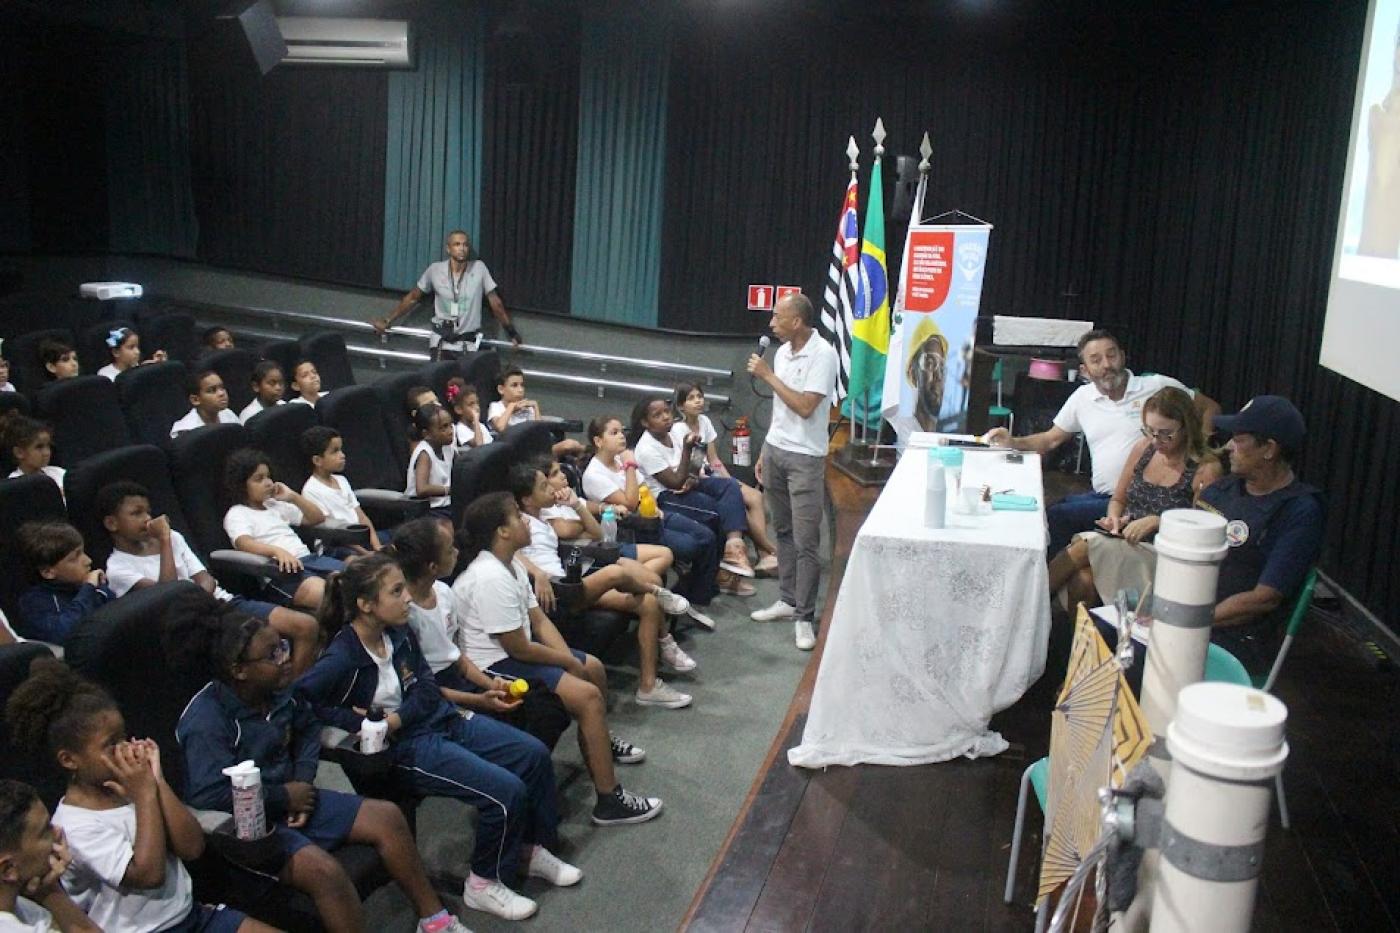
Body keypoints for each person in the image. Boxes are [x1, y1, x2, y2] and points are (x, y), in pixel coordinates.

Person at [295, 554, 580, 921]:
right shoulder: (341, 657)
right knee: (505, 791)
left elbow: (427, 688)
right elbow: (300, 699)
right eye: (396, 592)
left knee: (533, 754)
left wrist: (395, 718)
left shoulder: (399, 631)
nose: (407, 599)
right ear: (365, 605)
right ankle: (483, 882)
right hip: (409, 746)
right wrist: (352, 720)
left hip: (437, 718)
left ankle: (528, 847)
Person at [166, 597, 472, 933]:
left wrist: (303, 783)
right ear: (239, 671)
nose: (286, 660)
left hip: (293, 795)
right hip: (247, 831)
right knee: (327, 874)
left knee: (387, 817)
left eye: (282, 646)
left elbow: (308, 727)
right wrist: (284, 796)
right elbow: (209, 795)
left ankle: (435, 921)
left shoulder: (277, 689)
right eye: (272, 655)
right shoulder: (205, 720)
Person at [3, 659, 273, 933]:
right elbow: (148, 874)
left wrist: (156, 781)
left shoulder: (134, 786)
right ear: (70, 760)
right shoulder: (76, 825)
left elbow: (192, 847)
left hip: (191, 915)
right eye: (110, 745)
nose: (124, 749)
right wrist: (144, 796)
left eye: (124, 737)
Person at [452, 493, 663, 826]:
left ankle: (599, 745)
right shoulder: (489, 576)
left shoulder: (512, 565)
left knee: (592, 666)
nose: (525, 521)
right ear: (502, 531)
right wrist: (567, 664)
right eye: (517, 517)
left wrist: (568, 659)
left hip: (514, 651)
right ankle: (609, 801)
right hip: (493, 666)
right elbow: (518, 648)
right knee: (588, 696)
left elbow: (539, 622)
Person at [984, 329, 1220, 553]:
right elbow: (1049, 439)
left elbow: (1209, 407)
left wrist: (1198, 446)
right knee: (1045, 509)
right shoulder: (1082, 398)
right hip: (1106, 496)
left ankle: (1046, 586)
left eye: (1111, 355)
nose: (1107, 364)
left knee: (1058, 517)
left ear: (1123, 356)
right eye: (1096, 360)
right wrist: (1013, 441)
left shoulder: (1156, 387)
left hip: (1139, 500)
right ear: (1084, 370)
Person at [510, 459, 696, 702]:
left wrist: (576, 505)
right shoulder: (519, 522)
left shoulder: (544, 515)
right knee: (615, 573)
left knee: (645, 600)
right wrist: (538, 573)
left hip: (569, 582)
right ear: (527, 499)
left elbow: (599, 535)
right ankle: (661, 593)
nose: (552, 489)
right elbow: (509, 551)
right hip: (557, 594)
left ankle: (648, 687)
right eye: (544, 486)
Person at [98, 480, 320, 676]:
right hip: (194, 626)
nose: (147, 519)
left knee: (306, 626)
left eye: (148, 511)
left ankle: (294, 696)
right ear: (112, 523)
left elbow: (206, 579)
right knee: (265, 650)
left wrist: (198, 597)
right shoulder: (118, 568)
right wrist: (164, 540)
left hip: (222, 604)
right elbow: (168, 598)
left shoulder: (173, 537)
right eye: (136, 513)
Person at [388, 517, 572, 749]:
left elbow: (458, 658)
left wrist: (491, 684)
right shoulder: (405, 615)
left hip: (460, 678)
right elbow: (422, 689)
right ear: (433, 567)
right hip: (435, 694)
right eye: (449, 550)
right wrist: (479, 700)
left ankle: (525, 768)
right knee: (524, 734)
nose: (457, 551)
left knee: (544, 704)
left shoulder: (443, 593)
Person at [1047, 387, 1222, 608]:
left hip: (1163, 557)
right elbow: (1118, 500)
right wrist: (1113, 519)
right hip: (1126, 543)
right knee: (1083, 581)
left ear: (1187, 428)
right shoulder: (1144, 448)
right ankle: (1075, 639)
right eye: (1149, 431)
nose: (1157, 440)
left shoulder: (1205, 469)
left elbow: (1200, 536)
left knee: (1084, 544)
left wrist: (1158, 521)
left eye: (1166, 434)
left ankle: (1033, 604)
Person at [1195, 395, 1324, 674]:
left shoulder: (1299, 512)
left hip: (1236, 639)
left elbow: (1263, 598)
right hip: (1192, 617)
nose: (1228, 446)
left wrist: (1190, 620)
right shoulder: (1220, 491)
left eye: (1239, 440)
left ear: (1269, 449)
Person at [744, 293, 838, 651]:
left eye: (777, 317)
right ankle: (786, 599)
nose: (771, 323)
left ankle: (804, 616)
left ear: (796, 322)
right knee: (781, 531)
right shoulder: (782, 352)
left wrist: (767, 376)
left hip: (805, 459)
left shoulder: (823, 355)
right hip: (777, 451)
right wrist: (765, 448)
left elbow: (803, 406)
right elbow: (781, 412)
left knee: (806, 541)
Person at [582, 415, 719, 627]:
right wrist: (629, 465)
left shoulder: (619, 460)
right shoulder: (594, 473)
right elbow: (628, 503)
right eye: (614, 433)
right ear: (598, 441)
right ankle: (678, 597)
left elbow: (643, 487)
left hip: (653, 513)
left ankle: (695, 596)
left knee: (706, 535)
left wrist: (653, 505)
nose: (621, 436)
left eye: (622, 431)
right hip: (633, 528)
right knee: (690, 545)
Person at [631, 397, 755, 590]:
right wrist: (687, 453)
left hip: (689, 482)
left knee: (730, 486)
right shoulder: (646, 448)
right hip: (666, 496)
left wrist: (693, 476)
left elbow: (698, 458)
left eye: (667, 411)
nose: (666, 417)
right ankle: (716, 577)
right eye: (657, 415)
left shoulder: (678, 430)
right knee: (717, 511)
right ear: (645, 423)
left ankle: (733, 548)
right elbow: (673, 482)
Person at [673, 382, 777, 573]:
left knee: (754, 496)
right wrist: (729, 486)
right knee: (736, 500)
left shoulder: (704, 421)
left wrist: (731, 481)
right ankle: (768, 549)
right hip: (695, 478)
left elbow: (714, 460)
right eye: (691, 398)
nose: (698, 401)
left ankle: (763, 556)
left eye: (699, 396)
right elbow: (685, 465)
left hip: (711, 474)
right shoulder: (678, 429)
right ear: (681, 406)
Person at [222, 448, 342, 614]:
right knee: (338, 597)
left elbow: (317, 518)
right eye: (259, 479)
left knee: (362, 581)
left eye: (268, 476)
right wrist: (276, 551)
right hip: (282, 573)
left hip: (310, 559)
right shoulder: (237, 513)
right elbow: (243, 543)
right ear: (242, 485)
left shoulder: (275, 505)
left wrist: (293, 496)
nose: (268, 483)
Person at [373, 230, 523, 358]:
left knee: (465, 391)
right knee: (439, 387)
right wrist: (388, 320)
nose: (462, 248)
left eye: (465, 244)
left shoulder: (479, 268)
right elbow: (413, 297)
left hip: (468, 345)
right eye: (457, 244)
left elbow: (495, 303)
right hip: (441, 342)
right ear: (448, 249)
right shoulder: (435, 270)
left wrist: (511, 333)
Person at [0, 779, 99, 933]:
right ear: (8, 870)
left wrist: (45, 890)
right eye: (46, 830)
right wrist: (52, 893)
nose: (58, 831)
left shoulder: (21, 907)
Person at [14, 522, 112, 646]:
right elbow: (65, 633)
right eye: (74, 558)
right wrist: (88, 589)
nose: (88, 561)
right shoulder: (34, 602)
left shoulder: (96, 588)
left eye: (83, 552)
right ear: (48, 572)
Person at [299, 427, 385, 552]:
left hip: (360, 539)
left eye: (341, 450)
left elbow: (361, 516)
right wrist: (366, 553)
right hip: (336, 544)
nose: (342, 455)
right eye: (335, 452)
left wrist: (377, 545)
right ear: (317, 460)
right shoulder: (311, 490)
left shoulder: (341, 480)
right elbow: (334, 531)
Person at [406, 403, 454, 518]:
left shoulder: (447, 447)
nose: (450, 431)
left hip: (445, 506)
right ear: (426, 434)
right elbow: (421, 489)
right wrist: (450, 490)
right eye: (444, 427)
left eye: (450, 425)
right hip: (426, 511)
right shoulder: (425, 454)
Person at [5, 416, 65, 502]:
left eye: (48, 445)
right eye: (39, 447)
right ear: (19, 452)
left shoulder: (58, 473)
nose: (46, 452)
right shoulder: (13, 484)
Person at [169, 370, 240, 438]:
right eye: (212, 390)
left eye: (222, 388)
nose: (221, 393)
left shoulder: (228, 414)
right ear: (195, 400)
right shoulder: (185, 430)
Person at [95, 327, 165, 382]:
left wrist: (156, 364)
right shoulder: (105, 376)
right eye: (131, 347)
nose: (137, 352)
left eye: (137, 347)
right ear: (116, 352)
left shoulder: (137, 367)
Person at [445, 378, 491, 449]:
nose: (477, 407)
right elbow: (479, 446)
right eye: (471, 404)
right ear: (459, 409)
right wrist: (476, 420)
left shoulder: (481, 426)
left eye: (477, 403)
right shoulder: (460, 429)